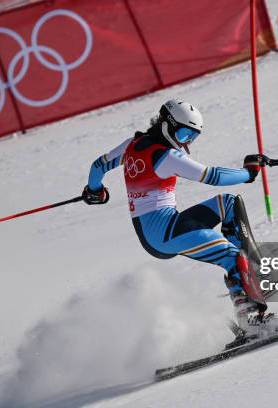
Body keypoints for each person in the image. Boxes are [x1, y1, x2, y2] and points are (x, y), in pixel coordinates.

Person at [83, 99, 268, 328]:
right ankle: (249, 314)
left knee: (229, 204)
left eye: (192, 137)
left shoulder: (132, 144)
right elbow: (213, 177)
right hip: (166, 235)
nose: (186, 142)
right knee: (232, 257)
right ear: (165, 125)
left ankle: (247, 276)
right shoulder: (166, 157)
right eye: (182, 134)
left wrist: (95, 191)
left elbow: (98, 166)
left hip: (165, 229)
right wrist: (249, 173)